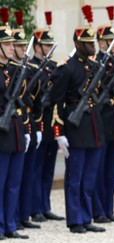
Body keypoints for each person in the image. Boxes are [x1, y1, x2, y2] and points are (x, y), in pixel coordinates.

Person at [51, 5, 106, 234]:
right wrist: (59, 132)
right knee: (76, 176)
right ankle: (75, 219)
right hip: (74, 126)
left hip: (92, 124)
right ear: (77, 44)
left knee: (90, 176)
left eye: (93, 42)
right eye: (88, 43)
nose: (92, 46)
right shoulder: (67, 68)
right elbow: (55, 101)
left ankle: (86, 215)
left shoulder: (93, 67)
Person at [30, 11, 64, 224]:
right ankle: (35, 206)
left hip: (52, 122)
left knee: (49, 166)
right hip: (37, 122)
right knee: (36, 166)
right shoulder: (32, 67)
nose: (50, 48)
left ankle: (45, 204)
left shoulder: (53, 67)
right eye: (46, 45)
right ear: (37, 47)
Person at [93, 6, 114, 223]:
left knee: (112, 169)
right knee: (99, 168)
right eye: (110, 40)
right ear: (101, 43)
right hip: (101, 121)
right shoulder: (95, 63)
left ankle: (109, 207)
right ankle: (98, 210)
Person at [0, 8, 29, 240]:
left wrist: (26, 130)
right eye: (8, 45)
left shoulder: (15, 69)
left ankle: (10, 224)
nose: (12, 48)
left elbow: (23, 101)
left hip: (16, 130)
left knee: (13, 182)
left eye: (12, 45)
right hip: (1, 132)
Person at [13, 10, 40, 231]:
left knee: (24, 175)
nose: (22, 50)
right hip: (10, 125)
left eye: (23, 46)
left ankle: (21, 215)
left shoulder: (28, 70)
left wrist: (36, 126)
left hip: (25, 123)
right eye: (18, 46)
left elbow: (36, 101)